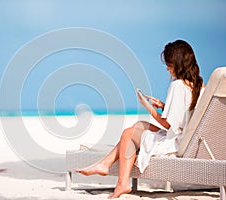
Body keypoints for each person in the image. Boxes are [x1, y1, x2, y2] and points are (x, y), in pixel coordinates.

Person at [76, 40, 205, 199]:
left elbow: (167, 124)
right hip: (186, 138)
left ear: (178, 64)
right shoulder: (198, 85)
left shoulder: (177, 86)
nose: (167, 68)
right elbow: (186, 117)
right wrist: (164, 106)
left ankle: (121, 182)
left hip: (177, 143)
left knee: (128, 134)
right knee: (140, 125)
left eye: (170, 64)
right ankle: (106, 165)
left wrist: (146, 106)